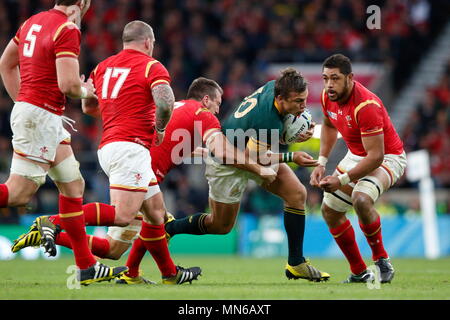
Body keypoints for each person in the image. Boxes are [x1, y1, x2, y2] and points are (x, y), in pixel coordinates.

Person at [13, 77, 276, 284]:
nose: (218, 110)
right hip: (137, 166)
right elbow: (220, 150)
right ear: (206, 99)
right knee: (155, 216)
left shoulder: (178, 110)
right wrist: (255, 167)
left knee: (114, 248)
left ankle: (54, 234)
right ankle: (55, 222)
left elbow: (185, 146)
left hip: (127, 160)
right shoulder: (201, 113)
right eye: (218, 103)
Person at [0, 0, 128, 285]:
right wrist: (88, 90)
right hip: (41, 115)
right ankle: (86, 266)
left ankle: (86, 267)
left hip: (43, 115)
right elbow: (69, 86)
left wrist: (24, 104)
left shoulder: (32, 22)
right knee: (18, 194)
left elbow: (6, 64)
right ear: (82, 3)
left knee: (73, 184)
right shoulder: (67, 28)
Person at [166, 68, 330, 282]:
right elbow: (254, 160)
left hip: (250, 150)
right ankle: (169, 227)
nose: (303, 106)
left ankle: (296, 263)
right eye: (298, 101)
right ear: (281, 98)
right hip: (229, 162)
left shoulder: (275, 88)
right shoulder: (268, 119)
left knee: (297, 194)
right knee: (220, 226)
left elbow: (260, 144)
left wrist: (288, 133)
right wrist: (292, 155)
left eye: (304, 100)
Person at [310, 54, 407, 283]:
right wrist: (321, 162)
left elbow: (375, 157)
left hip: (387, 157)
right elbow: (329, 126)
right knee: (330, 211)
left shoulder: (367, 106)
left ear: (350, 78)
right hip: (357, 155)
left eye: (335, 78)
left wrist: (342, 180)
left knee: (361, 199)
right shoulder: (327, 96)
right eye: (325, 79)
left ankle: (381, 260)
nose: (329, 85)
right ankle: (359, 272)